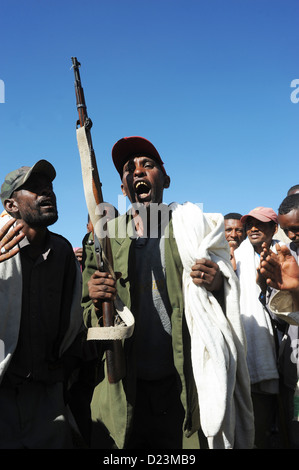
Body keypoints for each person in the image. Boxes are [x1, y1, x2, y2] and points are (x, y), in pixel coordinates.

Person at [82, 136, 254, 450]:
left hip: (183, 386)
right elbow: (84, 316)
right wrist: (95, 300)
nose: (137, 172)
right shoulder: (105, 238)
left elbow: (224, 292)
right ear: (122, 189)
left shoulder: (191, 229)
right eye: (128, 170)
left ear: (166, 178)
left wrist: (216, 282)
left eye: (147, 165)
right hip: (124, 389)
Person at [0, 160, 85, 449]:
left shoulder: (62, 252)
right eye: (35, 188)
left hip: (48, 397)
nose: (47, 193)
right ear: (11, 205)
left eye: (49, 187)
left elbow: (73, 324)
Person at [234, 206, 282, 448]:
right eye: (249, 224)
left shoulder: (283, 256)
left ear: (274, 228)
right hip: (243, 343)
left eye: (260, 224)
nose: (253, 228)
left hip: (277, 346)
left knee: (263, 426)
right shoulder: (237, 257)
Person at [260, 193, 299, 448]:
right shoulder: (286, 255)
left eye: (296, 229)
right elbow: (280, 315)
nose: (292, 236)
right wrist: (286, 291)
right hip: (294, 366)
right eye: (287, 231)